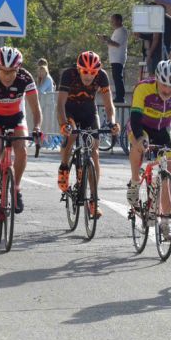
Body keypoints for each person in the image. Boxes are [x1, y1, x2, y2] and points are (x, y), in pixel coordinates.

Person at [126, 60, 171, 239]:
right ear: (157, 80)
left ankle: (166, 221)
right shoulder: (143, 88)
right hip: (141, 126)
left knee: (169, 169)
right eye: (164, 84)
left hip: (164, 128)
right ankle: (135, 182)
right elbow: (135, 118)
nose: (167, 90)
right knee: (139, 147)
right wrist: (140, 139)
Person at [0, 47, 42, 220]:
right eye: (4, 71)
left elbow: (36, 109)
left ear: (18, 69)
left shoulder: (25, 78)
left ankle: (16, 188)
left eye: (12, 71)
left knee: (22, 149)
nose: (7, 76)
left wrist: (37, 128)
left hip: (17, 116)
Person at [57, 51, 120, 218]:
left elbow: (109, 105)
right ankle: (64, 166)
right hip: (69, 110)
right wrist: (63, 124)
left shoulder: (102, 76)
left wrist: (112, 123)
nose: (89, 76)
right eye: (85, 71)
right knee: (71, 135)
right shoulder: (68, 75)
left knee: (94, 153)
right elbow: (60, 104)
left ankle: (93, 199)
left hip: (89, 112)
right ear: (79, 69)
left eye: (93, 72)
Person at [99, 13, 128, 103]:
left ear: (119, 21)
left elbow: (116, 44)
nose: (111, 23)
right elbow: (112, 43)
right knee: (116, 77)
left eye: (113, 21)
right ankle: (119, 96)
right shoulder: (117, 31)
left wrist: (107, 39)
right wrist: (105, 40)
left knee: (118, 77)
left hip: (118, 58)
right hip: (114, 58)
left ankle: (120, 97)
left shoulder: (122, 31)